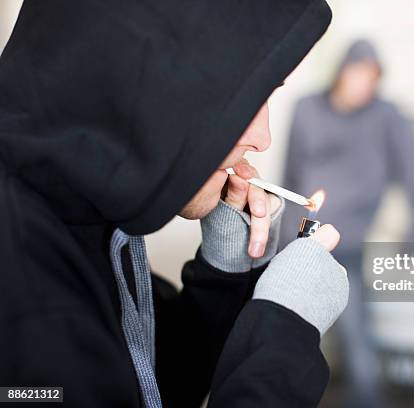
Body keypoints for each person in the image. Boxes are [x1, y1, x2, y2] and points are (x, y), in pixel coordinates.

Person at [0, 1, 350, 407]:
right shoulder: (25, 300)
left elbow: (148, 382)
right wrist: (283, 338)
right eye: (246, 99)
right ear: (156, 84)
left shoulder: (84, 215)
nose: (262, 138)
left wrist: (224, 269)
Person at [281, 39, 414, 408]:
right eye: (358, 72)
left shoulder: (386, 116)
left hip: (347, 243)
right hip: (299, 238)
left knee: (356, 339)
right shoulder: (307, 109)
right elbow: (291, 174)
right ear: (342, 70)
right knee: (285, 331)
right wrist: (278, 238)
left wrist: (413, 234)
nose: (364, 83)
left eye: (372, 77)